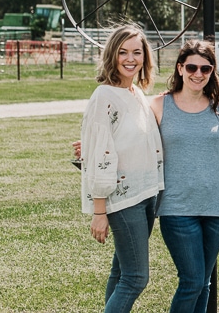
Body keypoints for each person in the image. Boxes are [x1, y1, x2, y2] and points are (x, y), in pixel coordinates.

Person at [79, 24, 164, 312]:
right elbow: (100, 155)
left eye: (137, 52)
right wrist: (99, 211)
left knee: (121, 272)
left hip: (146, 195)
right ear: (113, 56)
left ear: (145, 57)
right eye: (123, 52)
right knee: (136, 277)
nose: (130, 59)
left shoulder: (137, 93)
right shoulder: (104, 96)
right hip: (123, 199)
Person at [149, 40, 219, 313]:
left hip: (217, 206)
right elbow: (136, 143)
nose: (199, 73)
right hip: (177, 207)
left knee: (204, 282)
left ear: (212, 71)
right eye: (192, 67)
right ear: (180, 68)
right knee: (192, 280)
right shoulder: (160, 105)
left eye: (205, 68)